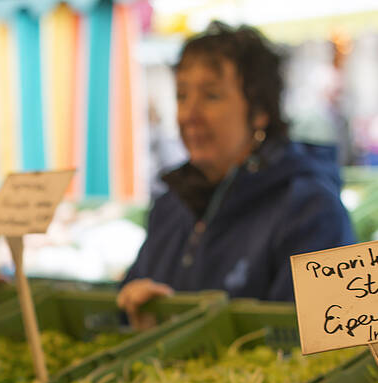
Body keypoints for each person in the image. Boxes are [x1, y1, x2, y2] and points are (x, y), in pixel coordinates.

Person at [118, 23, 355, 325]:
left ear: (259, 111)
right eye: (181, 96)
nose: (189, 115)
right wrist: (134, 306)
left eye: (211, 96)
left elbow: (328, 340)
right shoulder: (170, 205)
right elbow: (125, 301)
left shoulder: (310, 208)